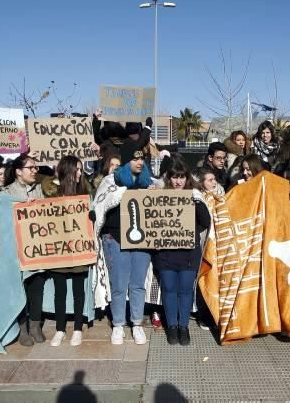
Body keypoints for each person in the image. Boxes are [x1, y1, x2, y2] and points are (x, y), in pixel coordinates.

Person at [93, 141, 160, 345]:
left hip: (142, 240)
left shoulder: (149, 182)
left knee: (138, 284)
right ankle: (119, 325)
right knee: (119, 284)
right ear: (126, 161)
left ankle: (137, 323)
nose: (140, 162)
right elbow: (99, 206)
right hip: (116, 239)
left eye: (142, 158)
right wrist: (122, 193)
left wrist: (154, 194)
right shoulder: (110, 181)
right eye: (135, 158)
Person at [35, 156, 93, 347]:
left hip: (78, 248)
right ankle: (60, 329)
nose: (79, 173)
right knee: (59, 291)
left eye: (80, 170)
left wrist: (91, 215)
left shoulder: (84, 190)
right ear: (67, 170)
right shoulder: (52, 193)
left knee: (78, 290)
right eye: (76, 170)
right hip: (58, 249)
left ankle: (77, 328)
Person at [154, 158, 210, 345]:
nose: (178, 181)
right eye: (174, 177)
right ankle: (171, 327)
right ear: (168, 178)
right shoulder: (160, 196)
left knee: (185, 291)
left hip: (188, 253)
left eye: (181, 177)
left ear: (187, 178)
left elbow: (205, 222)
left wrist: (198, 203)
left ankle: (183, 327)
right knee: (169, 290)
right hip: (166, 252)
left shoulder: (194, 196)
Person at [2, 154, 47, 346]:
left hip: (36, 248)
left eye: (36, 167)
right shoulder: (6, 192)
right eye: (31, 168)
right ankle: (22, 328)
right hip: (16, 251)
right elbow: (4, 221)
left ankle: (35, 325)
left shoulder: (39, 189)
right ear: (19, 171)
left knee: (37, 288)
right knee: (19, 290)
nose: (35, 171)